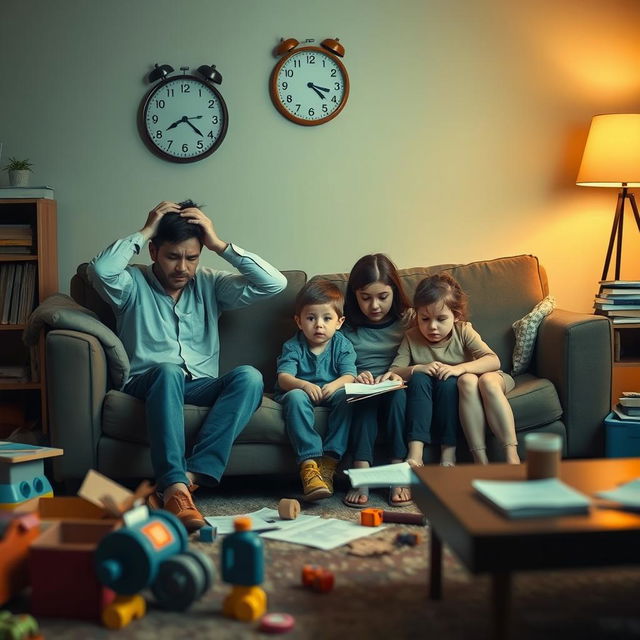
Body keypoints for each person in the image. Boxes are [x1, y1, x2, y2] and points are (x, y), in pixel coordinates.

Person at [88, 200, 287, 532]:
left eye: (191, 258)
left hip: (198, 385)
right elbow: (101, 270)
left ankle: (183, 482)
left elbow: (274, 283)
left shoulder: (210, 283)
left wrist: (219, 244)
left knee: (250, 377)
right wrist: (146, 227)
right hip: (147, 382)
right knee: (167, 371)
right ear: (153, 252)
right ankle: (175, 482)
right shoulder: (130, 285)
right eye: (172, 256)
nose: (182, 268)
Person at [389, 273, 520, 466]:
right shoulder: (411, 337)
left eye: (441, 319)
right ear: (417, 314)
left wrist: (460, 368)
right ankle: (479, 460)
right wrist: (419, 367)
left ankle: (511, 455)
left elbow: (493, 360)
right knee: (452, 380)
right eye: (424, 319)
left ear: (455, 316)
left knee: (476, 380)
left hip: (487, 379)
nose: (432, 327)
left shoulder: (463, 330)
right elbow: (394, 370)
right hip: (453, 388)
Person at [341, 254, 414, 508]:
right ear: (354, 295)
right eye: (366, 297)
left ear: (394, 291)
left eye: (382, 297)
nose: (374, 306)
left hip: (399, 384)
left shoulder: (409, 320)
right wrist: (355, 375)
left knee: (397, 395)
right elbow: (337, 361)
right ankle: (361, 475)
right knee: (363, 401)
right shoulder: (345, 327)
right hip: (365, 386)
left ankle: (397, 473)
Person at [274, 278, 357, 501]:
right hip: (301, 392)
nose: (319, 325)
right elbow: (284, 378)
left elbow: (350, 375)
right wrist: (303, 384)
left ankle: (329, 463)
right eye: (311, 318)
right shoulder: (293, 345)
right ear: (299, 321)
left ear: (339, 322)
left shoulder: (342, 344)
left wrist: (335, 384)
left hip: (331, 391)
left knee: (347, 395)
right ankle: (309, 466)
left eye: (326, 318)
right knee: (295, 398)